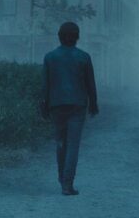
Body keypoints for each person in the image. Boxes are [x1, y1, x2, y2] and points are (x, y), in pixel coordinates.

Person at [42, 22, 99, 196]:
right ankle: (67, 184)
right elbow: (90, 84)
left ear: (59, 36)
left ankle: (62, 178)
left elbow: (45, 85)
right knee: (73, 145)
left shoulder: (50, 57)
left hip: (56, 105)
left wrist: (44, 106)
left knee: (61, 143)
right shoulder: (84, 57)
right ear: (77, 37)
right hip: (77, 105)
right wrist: (93, 104)